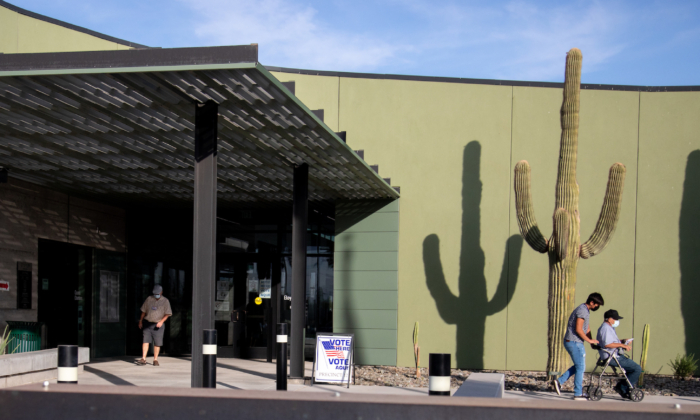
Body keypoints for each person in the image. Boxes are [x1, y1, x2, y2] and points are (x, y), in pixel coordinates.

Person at [552, 292, 604, 400]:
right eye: (597, 305)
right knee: (581, 367)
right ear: (591, 302)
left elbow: (587, 328)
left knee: (578, 366)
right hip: (574, 342)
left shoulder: (585, 311)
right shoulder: (582, 311)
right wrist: (589, 340)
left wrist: (591, 342)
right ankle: (577, 393)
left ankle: (559, 381)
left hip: (574, 342)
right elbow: (579, 330)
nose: (597, 307)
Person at [596, 309, 641, 397]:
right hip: (612, 357)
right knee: (637, 368)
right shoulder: (606, 328)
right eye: (615, 319)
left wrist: (623, 341)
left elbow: (611, 341)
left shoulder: (609, 328)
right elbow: (608, 344)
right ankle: (622, 387)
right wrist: (623, 346)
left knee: (631, 368)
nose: (617, 321)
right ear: (609, 319)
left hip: (613, 355)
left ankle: (623, 387)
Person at [136, 285, 172, 366]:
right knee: (145, 341)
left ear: (161, 292)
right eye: (155, 293)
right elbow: (143, 311)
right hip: (147, 323)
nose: (156, 295)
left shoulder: (165, 301)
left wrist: (161, 322)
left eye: (157, 293)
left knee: (157, 343)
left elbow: (167, 314)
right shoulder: (149, 299)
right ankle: (143, 359)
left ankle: (155, 359)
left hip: (158, 324)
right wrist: (140, 321)